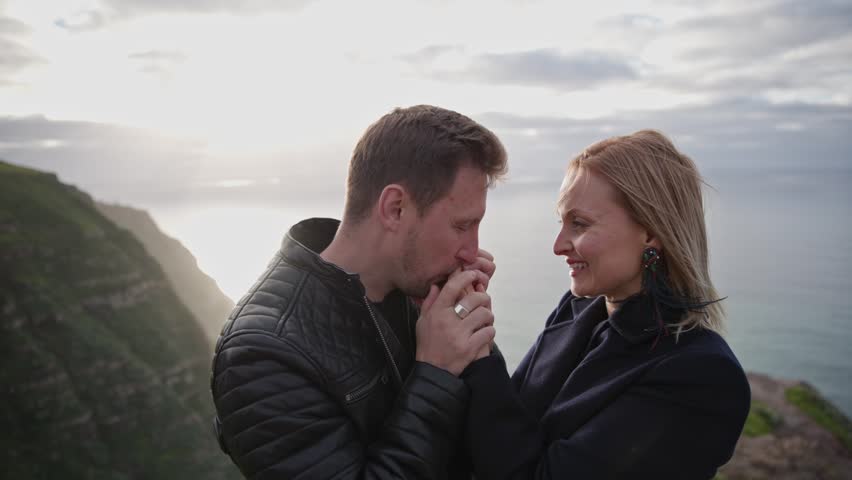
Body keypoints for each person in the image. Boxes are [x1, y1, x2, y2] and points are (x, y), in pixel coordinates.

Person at [210, 105, 508, 479]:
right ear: (395, 208)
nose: (473, 249)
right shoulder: (262, 353)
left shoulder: (422, 291)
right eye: (462, 225)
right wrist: (437, 372)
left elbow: (498, 446)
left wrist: (472, 338)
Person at [458, 130, 750, 479]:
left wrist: (475, 348)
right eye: (561, 222)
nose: (558, 245)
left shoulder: (700, 376)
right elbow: (507, 425)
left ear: (651, 233)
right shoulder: (576, 311)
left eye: (579, 224)